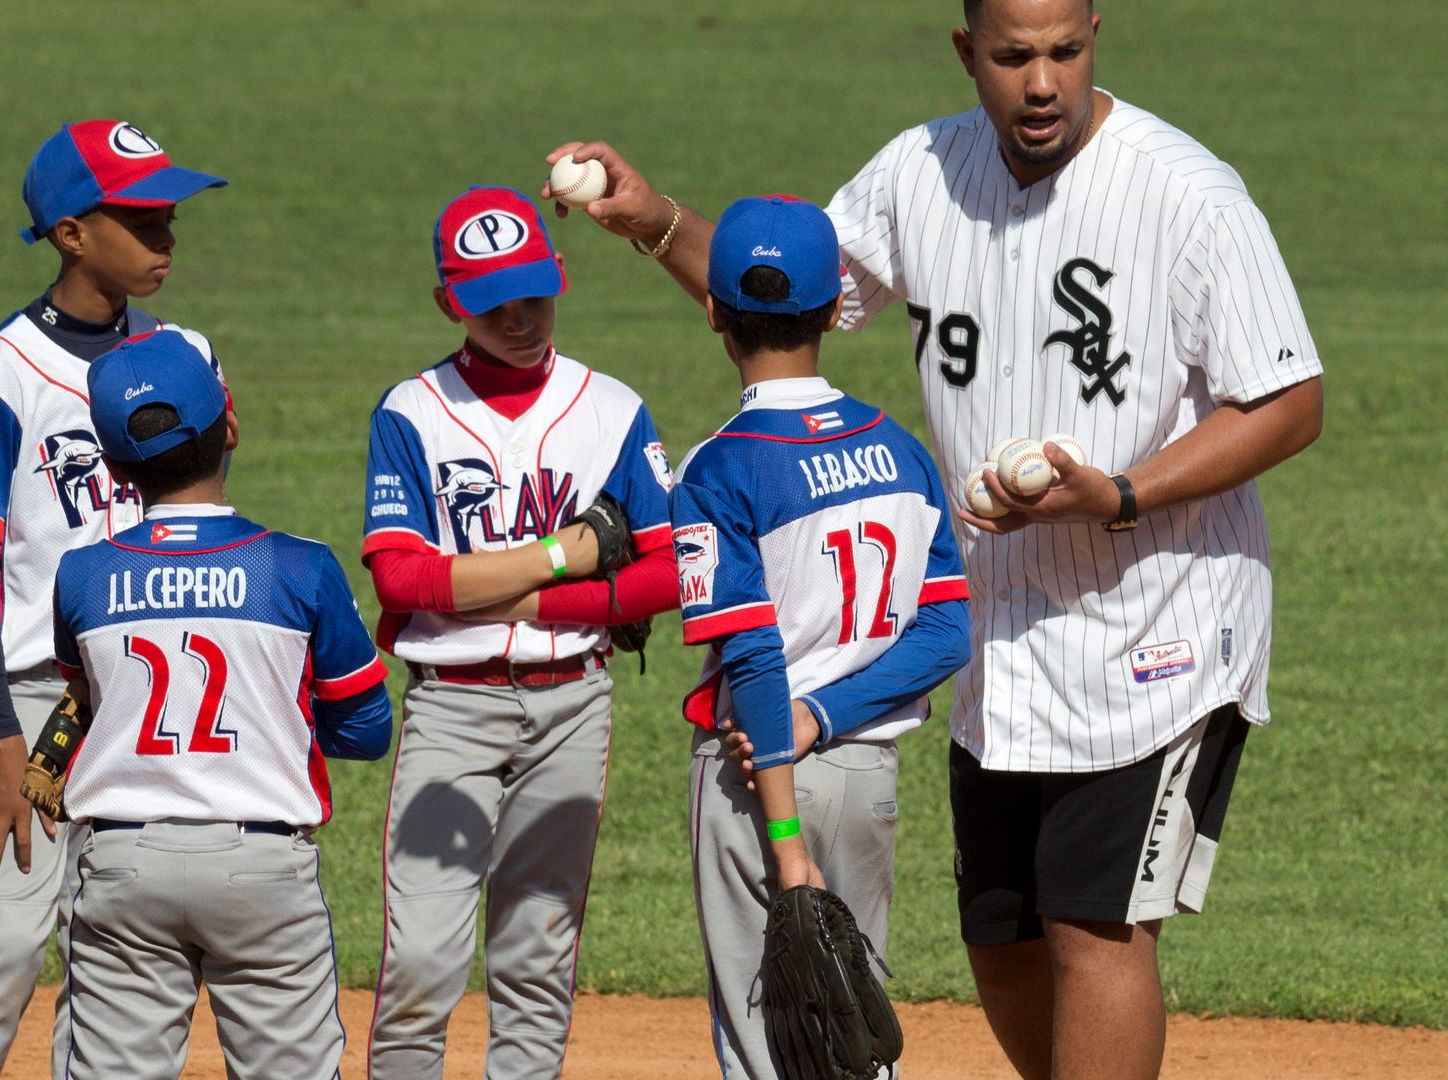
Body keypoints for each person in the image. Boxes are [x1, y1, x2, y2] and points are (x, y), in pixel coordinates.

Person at [545, 1, 1324, 1075]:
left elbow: (1288, 401)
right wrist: (655, 220)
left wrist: (1119, 494)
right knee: (999, 942)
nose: (1041, 82)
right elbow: (783, 289)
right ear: (969, 52)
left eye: (1065, 52)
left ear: (1096, 35)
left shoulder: (1185, 193)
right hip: (992, 642)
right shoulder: (921, 172)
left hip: (1159, 631)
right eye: (1013, 58)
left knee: (1096, 927)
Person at [362, 185, 681, 1079]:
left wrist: (521, 602)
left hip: (572, 704)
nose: (518, 318)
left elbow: (663, 578)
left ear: (561, 277)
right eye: (491, 302)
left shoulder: (611, 408)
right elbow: (402, 579)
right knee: (422, 961)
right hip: (450, 712)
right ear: (447, 305)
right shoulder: (412, 412)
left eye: (533, 294)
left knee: (536, 961)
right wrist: (565, 555)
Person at [671, 195, 972, 1078]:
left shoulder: (718, 467)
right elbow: (948, 632)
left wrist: (787, 835)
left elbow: (755, 656)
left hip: (758, 777)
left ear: (718, 315)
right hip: (864, 772)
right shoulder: (902, 453)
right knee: (851, 1035)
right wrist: (826, 716)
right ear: (834, 307)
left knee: (766, 1048)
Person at [47, 329, 392, 1077]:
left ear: (112, 466)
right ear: (228, 422)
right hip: (261, 871)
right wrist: (271, 724)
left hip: (123, 867)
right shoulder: (298, 566)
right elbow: (368, 728)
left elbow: (90, 697)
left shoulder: (81, 577)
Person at [0, 118, 226, 1079]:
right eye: (141, 215)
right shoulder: (0, 373)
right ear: (71, 233)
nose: (165, 234)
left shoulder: (187, 351)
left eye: (168, 214)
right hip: (35, 702)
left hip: (150, 703)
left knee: (117, 956)